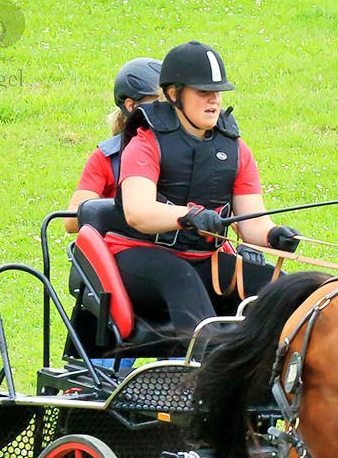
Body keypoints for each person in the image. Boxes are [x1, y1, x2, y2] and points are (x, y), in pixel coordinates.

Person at [105, 41, 301, 337]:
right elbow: (138, 213)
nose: (214, 100)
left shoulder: (236, 150)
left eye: (218, 92)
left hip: (204, 261)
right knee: (180, 278)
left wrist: (273, 236)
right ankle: (206, 367)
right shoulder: (144, 143)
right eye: (202, 92)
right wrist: (188, 216)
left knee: (283, 290)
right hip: (138, 256)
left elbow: (252, 223)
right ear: (173, 95)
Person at [64, 57, 161, 234]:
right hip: (126, 248)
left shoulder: (185, 148)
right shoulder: (108, 157)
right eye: (157, 103)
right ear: (130, 106)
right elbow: (71, 221)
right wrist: (130, 207)